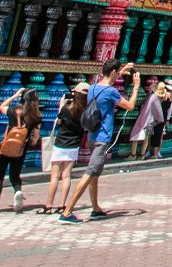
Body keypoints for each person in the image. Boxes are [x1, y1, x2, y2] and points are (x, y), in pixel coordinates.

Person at [59, 60, 140, 224]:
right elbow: (130, 106)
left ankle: (95, 208)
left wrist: (121, 71)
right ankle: (67, 212)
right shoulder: (111, 92)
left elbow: (107, 83)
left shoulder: (93, 87)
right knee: (90, 172)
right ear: (113, 72)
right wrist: (136, 86)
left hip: (92, 135)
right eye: (117, 72)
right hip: (102, 136)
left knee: (94, 173)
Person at [0, 86, 40, 213]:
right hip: (20, 150)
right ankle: (17, 191)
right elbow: (35, 138)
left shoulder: (13, 111)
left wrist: (15, 95)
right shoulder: (36, 116)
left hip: (5, 148)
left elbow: (1, 107)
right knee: (15, 175)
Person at [42, 82, 86, 215]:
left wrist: (61, 106)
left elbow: (59, 122)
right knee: (66, 176)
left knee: (55, 176)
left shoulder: (66, 109)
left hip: (60, 143)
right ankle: (62, 205)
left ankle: (49, 205)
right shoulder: (85, 111)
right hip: (74, 145)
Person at [128, 79, 167, 160]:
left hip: (144, 119)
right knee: (146, 138)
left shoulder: (152, 97)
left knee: (136, 136)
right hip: (150, 121)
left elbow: (146, 108)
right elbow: (159, 113)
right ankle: (142, 155)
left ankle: (133, 154)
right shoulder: (156, 98)